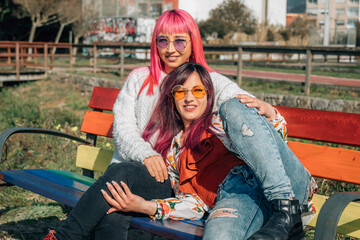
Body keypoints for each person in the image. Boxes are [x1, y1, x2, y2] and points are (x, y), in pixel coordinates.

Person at [43, 9, 312, 240]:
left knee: (120, 186)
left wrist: (270, 111)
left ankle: (285, 210)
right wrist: (148, 160)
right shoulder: (142, 84)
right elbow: (123, 129)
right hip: (168, 174)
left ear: (193, 43)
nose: (171, 49)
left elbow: (246, 115)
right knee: (116, 206)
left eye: (180, 42)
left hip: (242, 180)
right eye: (163, 40)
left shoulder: (211, 85)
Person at [101, 62, 317, 240]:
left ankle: (286, 210)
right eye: (180, 92)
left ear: (208, 94)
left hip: (287, 185)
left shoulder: (223, 121)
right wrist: (147, 206)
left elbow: (275, 148)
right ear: (172, 99)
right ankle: (284, 223)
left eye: (197, 90)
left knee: (233, 106)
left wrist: (271, 115)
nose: (189, 98)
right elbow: (194, 203)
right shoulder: (174, 152)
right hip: (236, 198)